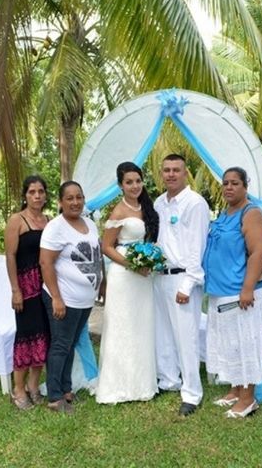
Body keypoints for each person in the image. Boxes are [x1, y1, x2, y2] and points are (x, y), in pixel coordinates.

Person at [202, 167, 262, 418]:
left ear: (245, 186)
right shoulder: (224, 213)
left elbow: (260, 250)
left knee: (244, 344)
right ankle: (234, 389)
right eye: (226, 183)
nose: (229, 187)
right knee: (229, 344)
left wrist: (247, 288)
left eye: (235, 183)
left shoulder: (251, 212)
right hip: (220, 290)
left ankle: (248, 398)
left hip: (240, 292)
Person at [96, 162, 160, 403]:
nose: (135, 186)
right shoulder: (118, 212)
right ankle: (117, 387)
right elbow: (106, 247)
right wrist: (132, 265)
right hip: (124, 276)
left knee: (142, 325)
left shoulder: (146, 207)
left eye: (137, 181)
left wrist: (149, 262)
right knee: (122, 326)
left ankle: (142, 384)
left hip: (144, 278)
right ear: (120, 185)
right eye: (129, 182)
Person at [39, 181, 104, 414]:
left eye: (79, 197)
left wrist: (101, 284)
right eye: (70, 198)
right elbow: (46, 263)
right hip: (63, 298)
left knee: (70, 345)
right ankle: (55, 397)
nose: (75, 202)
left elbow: (96, 256)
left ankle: (66, 389)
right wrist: (56, 298)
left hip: (84, 301)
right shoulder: (56, 227)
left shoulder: (89, 224)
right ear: (60, 202)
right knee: (60, 345)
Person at [153, 154, 210, 416]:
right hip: (160, 276)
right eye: (166, 170)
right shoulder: (159, 203)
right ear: (161, 174)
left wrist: (187, 284)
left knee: (186, 337)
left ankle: (192, 393)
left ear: (186, 173)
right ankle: (169, 379)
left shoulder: (195, 203)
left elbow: (198, 246)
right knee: (163, 332)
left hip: (183, 277)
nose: (171, 174)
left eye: (176, 170)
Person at [4, 175, 51, 410]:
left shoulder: (49, 220)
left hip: (45, 288)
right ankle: (18, 388)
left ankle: (34, 385)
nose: (37, 196)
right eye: (32, 192)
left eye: (41, 191)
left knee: (43, 337)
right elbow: (10, 256)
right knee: (25, 338)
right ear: (25, 195)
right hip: (25, 287)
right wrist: (15, 290)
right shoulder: (17, 220)